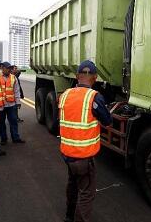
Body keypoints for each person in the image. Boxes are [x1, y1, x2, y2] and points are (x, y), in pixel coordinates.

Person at [58, 60, 112, 222]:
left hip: (67, 154)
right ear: (95, 78)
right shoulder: (94, 97)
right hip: (83, 156)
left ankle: (69, 216)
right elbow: (107, 121)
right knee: (87, 193)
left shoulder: (65, 95)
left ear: (76, 76)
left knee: (72, 184)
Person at [0, 62, 25, 144]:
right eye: (8, 68)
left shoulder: (13, 78)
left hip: (11, 104)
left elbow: (16, 91)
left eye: (10, 68)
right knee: (1, 123)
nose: (9, 70)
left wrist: (18, 102)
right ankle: (3, 139)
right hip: (1, 105)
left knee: (13, 122)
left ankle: (16, 138)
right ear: (2, 68)